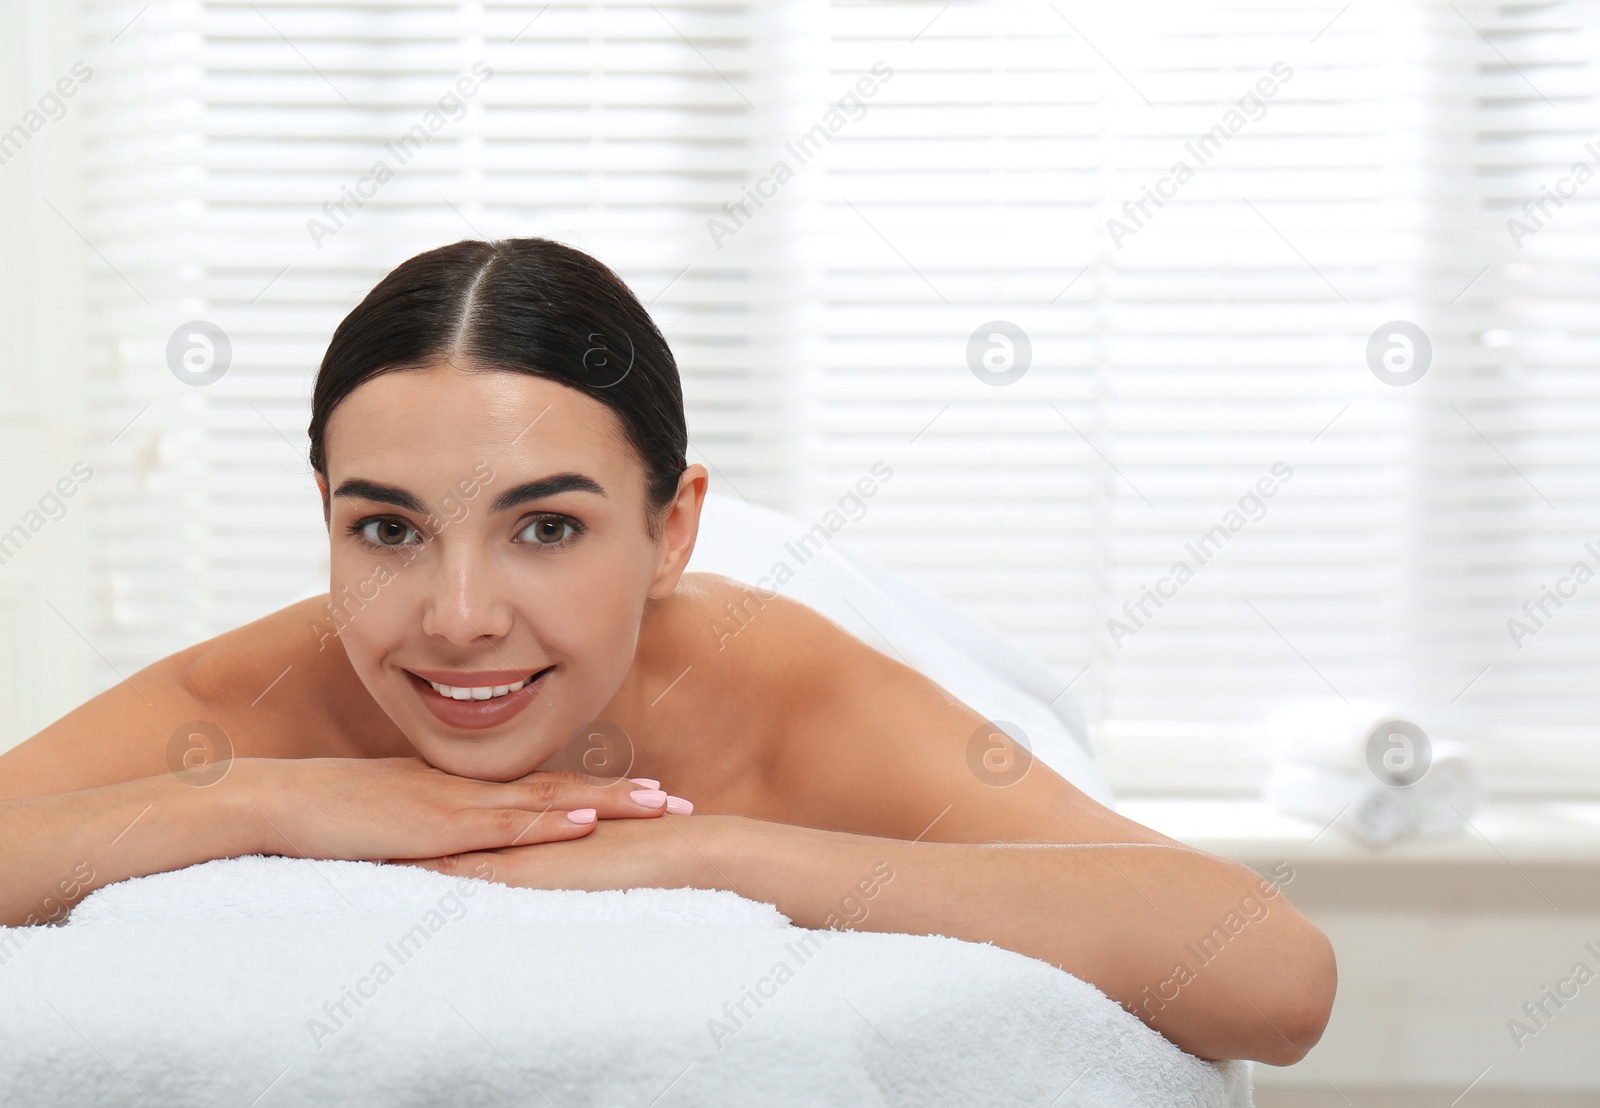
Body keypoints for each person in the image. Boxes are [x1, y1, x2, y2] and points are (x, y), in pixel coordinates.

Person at [0, 237, 1334, 1064]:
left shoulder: (790, 693)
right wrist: (270, 798)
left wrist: (710, 849)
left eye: (547, 527)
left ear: (674, 525)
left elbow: (1273, 980)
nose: (458, 614)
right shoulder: (262, 695)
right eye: (390, 529)